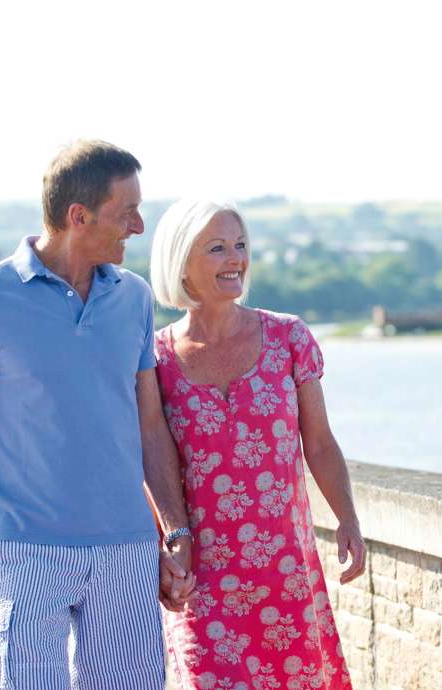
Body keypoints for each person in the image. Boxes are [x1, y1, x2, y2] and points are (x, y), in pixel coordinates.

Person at [0, 140, 194, 690]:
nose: (138, 226)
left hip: (126, 550)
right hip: (26, 550)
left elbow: (149, 426)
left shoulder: (134, 299)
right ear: (79, 216)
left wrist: (175, 529)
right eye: (126, 213)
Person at [149, 200, 366, 689]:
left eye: (241, 245)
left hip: (285, 577)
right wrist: (167, 544)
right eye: (218, 247)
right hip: (201, 582)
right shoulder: (154, 357)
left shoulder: (289, 338)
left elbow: (320, 442)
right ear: (181, 261)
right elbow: (152, 457)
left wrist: (347, 518)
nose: (236, 259)